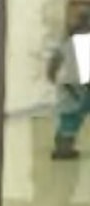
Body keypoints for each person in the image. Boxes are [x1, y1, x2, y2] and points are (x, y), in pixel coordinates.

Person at [47, 9, 90, 160]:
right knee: (70, 119)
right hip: (79, 86)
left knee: (68, 119)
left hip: (70, 85)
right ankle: (63, 150)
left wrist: (51, 75)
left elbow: (54, 61)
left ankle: (63, 148)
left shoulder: (67, 41)